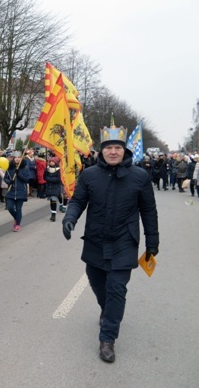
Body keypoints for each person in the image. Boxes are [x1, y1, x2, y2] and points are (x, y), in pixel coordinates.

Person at [62, 124, 159, 364]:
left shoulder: (140, 177)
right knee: (97, 281)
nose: (113, 152)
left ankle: (107, 339)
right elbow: (77, 202)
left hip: (124, 242)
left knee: (117, 288)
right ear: (102, 150)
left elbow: (149, 211)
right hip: (95, 239)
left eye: (117, 147)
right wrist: (69, 218)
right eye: (109, 148)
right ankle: (106, 308)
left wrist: (152, 242)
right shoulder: (89, 175)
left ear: (124, 150)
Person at [4, 152, 31, 232]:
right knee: (10, 207)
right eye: (15, 157)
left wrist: (19, 174)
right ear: (13, 158)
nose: (17, 159)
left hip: (21, 191)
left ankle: (18, 225)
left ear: (21, 158)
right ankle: (17, 218)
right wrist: (9, 182)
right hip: (11, 191)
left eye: (19, 157)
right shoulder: (9, 167)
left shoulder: (25, 167)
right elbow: (5, 178)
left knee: (18, 209)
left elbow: (26, 179)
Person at [44, 157, 63, 222]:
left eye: (52, 161)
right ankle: (53, 212)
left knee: (53, 199)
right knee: (51, 201)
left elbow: (58, 179)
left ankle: (53, 215)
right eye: (50, 161)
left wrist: (49, 179)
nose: (51, 162)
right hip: (49, 187)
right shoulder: (47, 169)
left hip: (56, 187)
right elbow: (44, 177)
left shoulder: (59, 170)